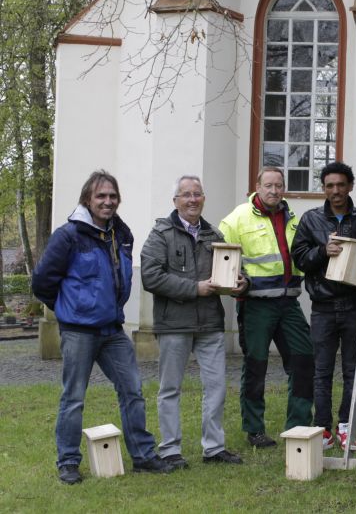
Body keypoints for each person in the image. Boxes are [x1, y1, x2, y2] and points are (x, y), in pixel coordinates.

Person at [32, 170, 174, 484]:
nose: (107, 202)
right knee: (74, 398)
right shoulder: (68, 236)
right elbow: (41, 283)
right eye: (101, 196)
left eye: (112, 196)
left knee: (133, 392)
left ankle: (143, 456)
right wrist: (68, 309)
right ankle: (68, 462)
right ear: (87, 199)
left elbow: (121, 279)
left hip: (112, 331)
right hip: (79, 332)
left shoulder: (120, 234)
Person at [140, 175, 244, 467]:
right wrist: (194, 288)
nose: (192, 199)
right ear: (176, 201)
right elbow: (151, 276)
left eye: (197, 194)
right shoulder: (160, 234)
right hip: (174, 324)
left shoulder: (214, 235)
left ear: (203, 199)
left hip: (210, 323)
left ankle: (214, 449)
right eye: (186, 194)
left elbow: (234, 268)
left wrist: (240, 282)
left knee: (216, 387)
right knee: (170, 388)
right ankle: (171, 450)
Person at [219, 167, 314, 448]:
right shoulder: (237, 218)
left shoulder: (293, 218)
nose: (274, 191)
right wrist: (238, 282)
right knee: (255, 366)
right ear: (257, 187)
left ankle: (298, 426)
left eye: (279, 186)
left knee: (304, 359)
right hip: (255, 304)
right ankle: (254, 429)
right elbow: (223, 260)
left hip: (289, 303)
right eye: (268, 185)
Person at [291, 163, 356, 450]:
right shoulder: (310, 220)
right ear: (323, 188)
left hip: (354, 306)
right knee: (322, 370)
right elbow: (299, 258)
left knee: (352, 369)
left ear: (351, 186)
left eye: (340, 185)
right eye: (329, 186)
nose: (335, 191)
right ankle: (322, 428)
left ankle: (346, 427)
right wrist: (322, 251)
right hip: (323, 307)